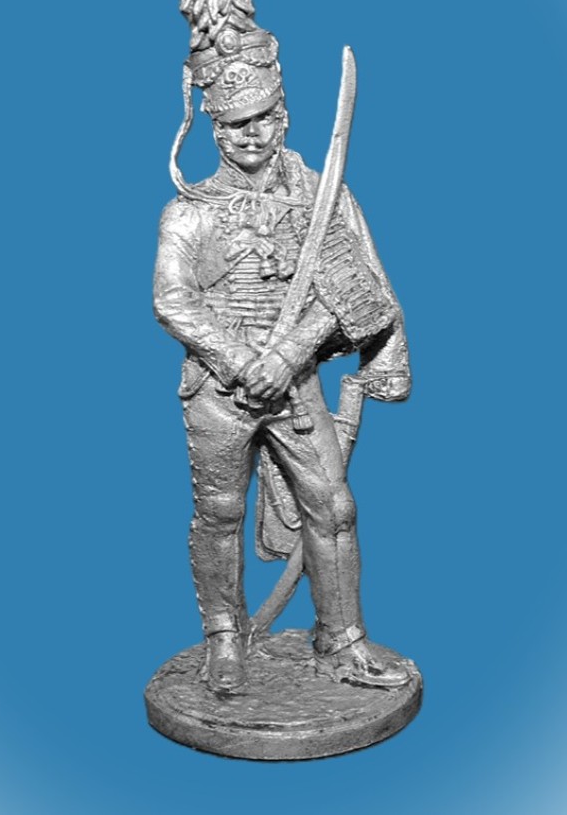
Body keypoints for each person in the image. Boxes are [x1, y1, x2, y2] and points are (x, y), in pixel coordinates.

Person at [153, 38, 412, 694]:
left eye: (264, 118)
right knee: (220, 512)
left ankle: (343, 641)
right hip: (220, 391)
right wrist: (245, 363)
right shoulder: (189, 211)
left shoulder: (318, 202)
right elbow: (174, 300)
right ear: (215, 128)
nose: (251, 134)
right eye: (235, 123)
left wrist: (291, 353)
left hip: (295, 387)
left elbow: (356, 288)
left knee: (334, 507)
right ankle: (225, 638)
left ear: (285, 117)